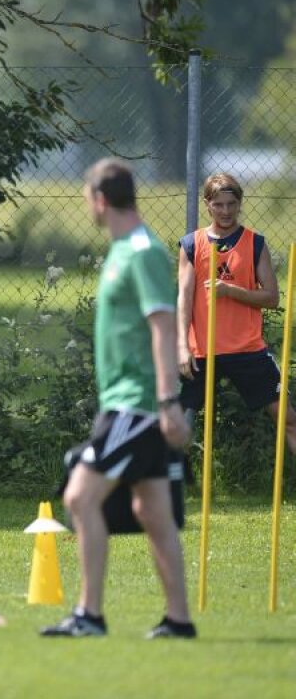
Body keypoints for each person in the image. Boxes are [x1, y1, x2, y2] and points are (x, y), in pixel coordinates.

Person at [41, 159, 195, 639]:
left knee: (79, 496)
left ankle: (89, 614)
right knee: (152, 510)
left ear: (100, 200)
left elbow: (163, 324)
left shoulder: (143, 252)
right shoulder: (122, 250)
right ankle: (179, 620)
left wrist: (168, 402)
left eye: (87, 196)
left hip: (138, 404)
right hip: (125, 401)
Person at [176, 172, 296, 452]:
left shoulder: (255, 243)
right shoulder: (192, 245)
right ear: (207, 204)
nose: (226, 211)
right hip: (202, 351)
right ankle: (166, 491)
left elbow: (271, 298)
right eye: (218, 205)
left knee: (287, 418)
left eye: (231, 204)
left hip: (247, 349)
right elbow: (184, 297)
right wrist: (182, 345)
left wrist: (232, 291)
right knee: (175, 425)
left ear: (240, 203)